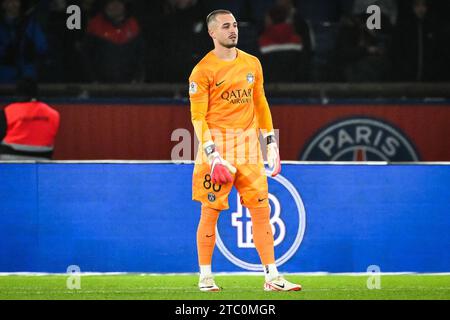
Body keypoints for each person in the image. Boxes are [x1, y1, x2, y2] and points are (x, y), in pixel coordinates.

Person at [189, 9, 301, 292]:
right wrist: (213, 155)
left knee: (261, 211)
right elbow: (198, 118)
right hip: (217, 153)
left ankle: (272, 276)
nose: (233, 30)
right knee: (210, 212)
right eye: (226, 26)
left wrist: (270, 145)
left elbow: (261, 104)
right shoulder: (202, 71)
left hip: (249, 151)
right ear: (212, 32)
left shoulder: (252, 63)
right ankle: (205, 276)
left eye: (235, 25)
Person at [0, 78, 60, 160]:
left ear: (18, 94)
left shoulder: (8, 111)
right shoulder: (54, 114)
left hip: (11, 160)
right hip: (43, 160)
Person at [0, 0, 48, 83]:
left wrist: (31, 49)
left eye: (16, 1)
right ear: (3, 4)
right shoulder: (2, 26)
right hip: (4, 73)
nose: (14, 4)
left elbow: (42, 47)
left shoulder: (30, 23)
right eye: (9, 1)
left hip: (27, 72)